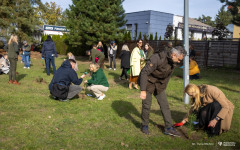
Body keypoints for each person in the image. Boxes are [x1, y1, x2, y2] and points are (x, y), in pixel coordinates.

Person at [139, 46, 187, 136]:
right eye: (179, 59)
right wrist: (143, 90)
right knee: (146, 105)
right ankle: (144, 125)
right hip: (148, 82)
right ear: (173, 55)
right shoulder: (157, 58)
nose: (179, 61)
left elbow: (167, 77)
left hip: (159, 84)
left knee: (165, 105)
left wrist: (163, 87)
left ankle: (168, 128)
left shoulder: (173, 62)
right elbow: (144, 73)